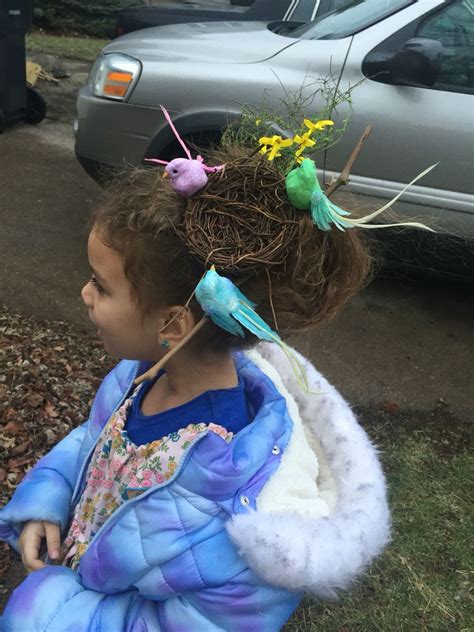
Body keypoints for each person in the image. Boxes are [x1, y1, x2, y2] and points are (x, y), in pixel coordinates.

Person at [0, 134, 392, 631]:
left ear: (173, 326)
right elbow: (96, 445)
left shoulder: (243, 530)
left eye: (100, 285)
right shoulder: (141, 375)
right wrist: (50, 499)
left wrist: (49, 610)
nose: (83, 293)